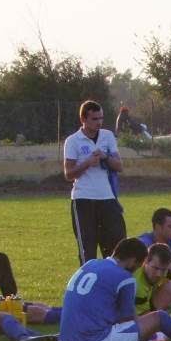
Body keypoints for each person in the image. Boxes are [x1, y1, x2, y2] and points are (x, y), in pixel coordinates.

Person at [63, 99, 125, 265]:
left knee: (115, 249)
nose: (99, 122)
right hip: (83, 199)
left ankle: (111, 279)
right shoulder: (73, 141)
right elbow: (69, 174)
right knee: (87, 250)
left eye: (101, 118)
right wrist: (87, 163)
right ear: (83, 119)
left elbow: (119, 166)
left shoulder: (107, 136)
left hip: (107, 198)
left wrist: (105, 157)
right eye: (94, 119)